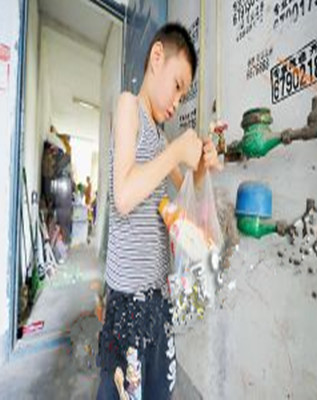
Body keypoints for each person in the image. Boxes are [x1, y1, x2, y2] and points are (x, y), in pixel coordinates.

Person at [97, 22, 221, 400]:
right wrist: (175, 152)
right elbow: (123, 196)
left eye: (184, 94)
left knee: (158, 393)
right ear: (156, 57)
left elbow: (187, 196)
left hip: (158, 302)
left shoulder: (163, 139)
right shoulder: (128, 107)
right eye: (178, 85)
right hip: (126, 305)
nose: (177, 101)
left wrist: (200, 168)